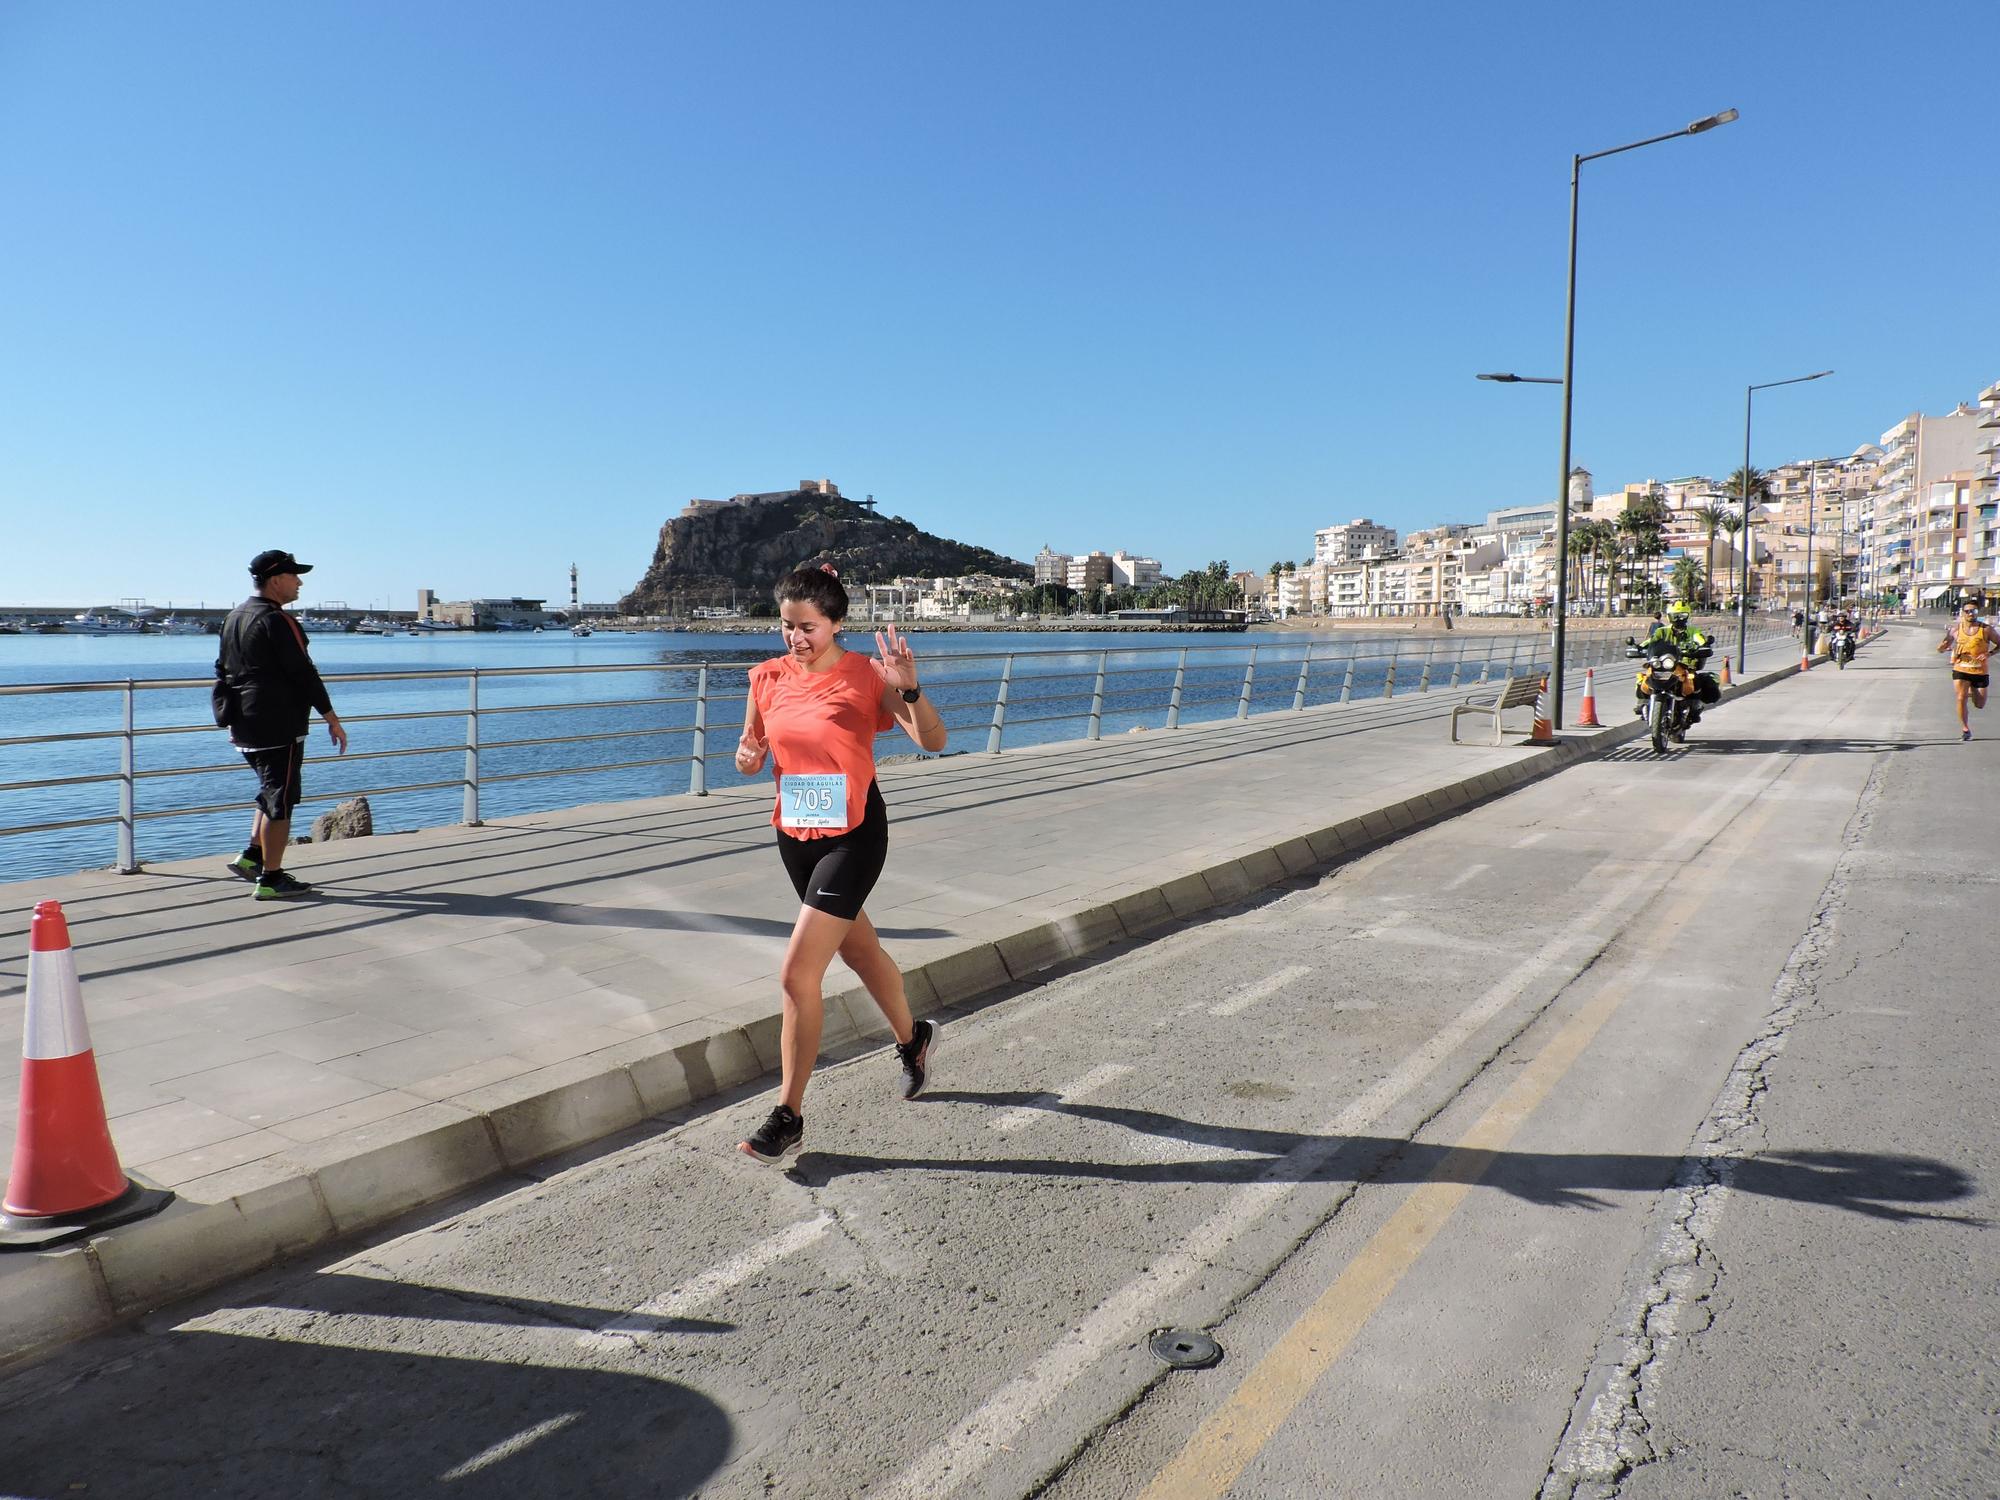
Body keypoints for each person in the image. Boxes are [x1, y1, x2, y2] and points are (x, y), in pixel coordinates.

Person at [733, 564, 950, 1163]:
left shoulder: (865, 676)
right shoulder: (765, 678)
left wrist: (908, 688)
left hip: (854, 834)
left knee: (796, 973)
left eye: (808, 627)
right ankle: (914, 1038)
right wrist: (748, 759)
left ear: (836, 624)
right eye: (786, 626)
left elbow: (933, 741)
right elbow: (752, 753)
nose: (795, 638)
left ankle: (788, 1115)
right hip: (795, 834)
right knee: (859, 951)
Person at [211, 550, 348, 899]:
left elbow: (222, 669)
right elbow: (304, 673)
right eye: (294, 576)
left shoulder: (234, 616)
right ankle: (271, 879)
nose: (299, 582)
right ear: (276, 580)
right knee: (281, 800)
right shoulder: (277, 620)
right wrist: (331, 717)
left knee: (270, 789)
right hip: (277, 721)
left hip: (243, 719)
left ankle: (253, 857)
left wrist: (229, 719)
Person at [1636, 602, 1718, 721]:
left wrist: (1704, 645)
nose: (1678, 618)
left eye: (1682, 615)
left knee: (1694, 679)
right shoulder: (1662, 631)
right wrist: (1638, 648)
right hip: (1664, 662)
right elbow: (1651, 642)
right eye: (1675, 615)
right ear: (1669, 617)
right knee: (1643, 678)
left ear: (1687, 616)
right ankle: (1642, 703)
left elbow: (1700, 640)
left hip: (1685, 663)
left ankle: (1694, 708)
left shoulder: (1693, 630)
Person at [1938, 600, 2000, 741]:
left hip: (1979, 670)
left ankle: (1972, 690)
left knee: (1980, 704)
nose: (1970, 613)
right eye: (1967, 611)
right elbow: (1941, 648)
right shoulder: (1955, 630)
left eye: (1974, 611)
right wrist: (1943, 648)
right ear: (1963, 613)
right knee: (1961, 697)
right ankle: (1965, 729)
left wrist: (1989, 654)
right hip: (1961, 668)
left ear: (1978, 613)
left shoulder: (1986, 629)